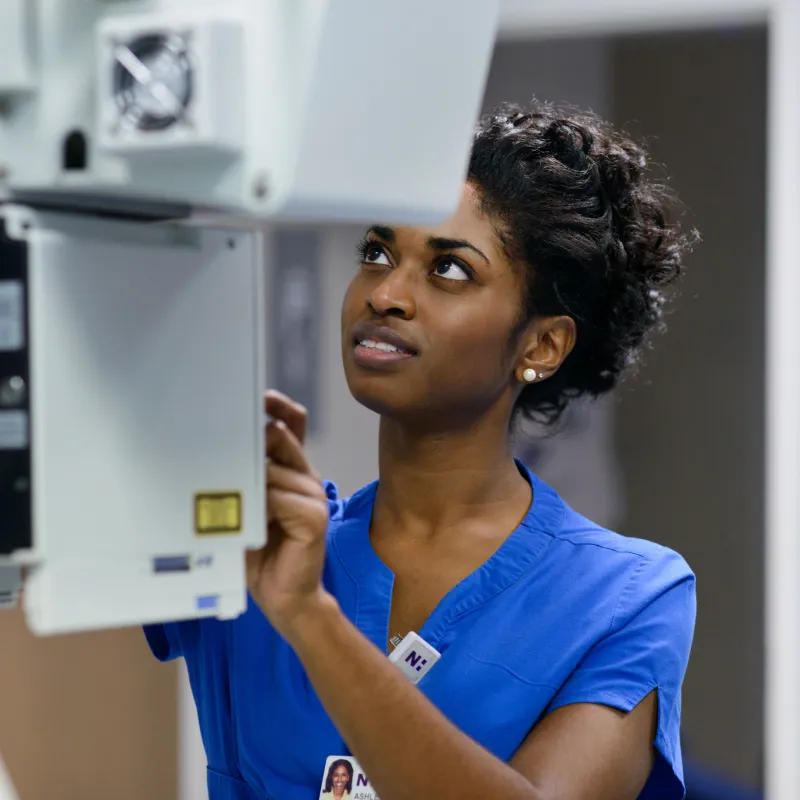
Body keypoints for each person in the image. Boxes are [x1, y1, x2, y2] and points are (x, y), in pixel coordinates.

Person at [144, 99, 697, 800]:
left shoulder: (625, 598)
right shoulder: (255, 537)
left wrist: (310, 617)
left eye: (451, 271)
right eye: (377, 254)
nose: (387, 294)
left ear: (541, 344)